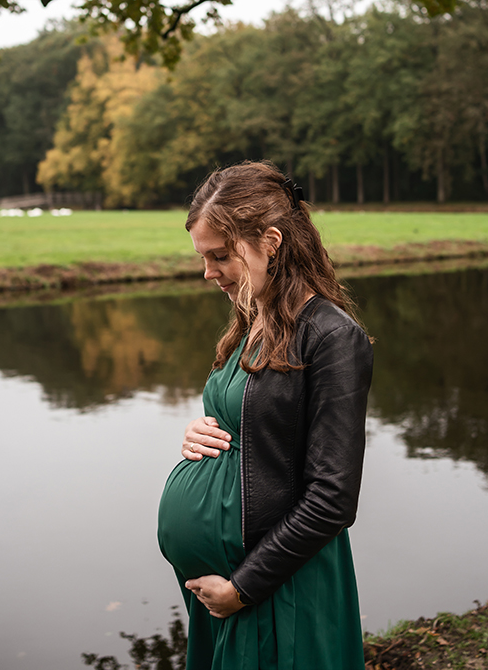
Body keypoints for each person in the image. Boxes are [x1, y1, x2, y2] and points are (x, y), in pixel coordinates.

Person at [157, 161, 373, 670]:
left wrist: (243, 587)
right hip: (228, 591)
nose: (208, 273)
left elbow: (333, 498)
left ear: (270, 241)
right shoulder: (253, 319)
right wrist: (201, 433)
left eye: (220, 256)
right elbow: (254, 425)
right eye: (202, 257)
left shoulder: (331, 336)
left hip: (279, 586)